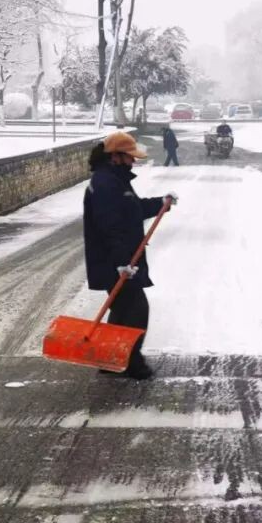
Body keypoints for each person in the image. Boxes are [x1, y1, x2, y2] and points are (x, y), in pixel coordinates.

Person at [83, 131, 178, 380]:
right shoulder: (105, 184)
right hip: (118, 262)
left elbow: (131, 210)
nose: (133, 161)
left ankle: (110, 360)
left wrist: (160, 203)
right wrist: (121, 263)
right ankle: (132, 363)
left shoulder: (115, 180)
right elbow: (110, 227)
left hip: (122, 261)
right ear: (116, 156)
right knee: (136, 311)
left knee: (123, 311)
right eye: (130, 157)